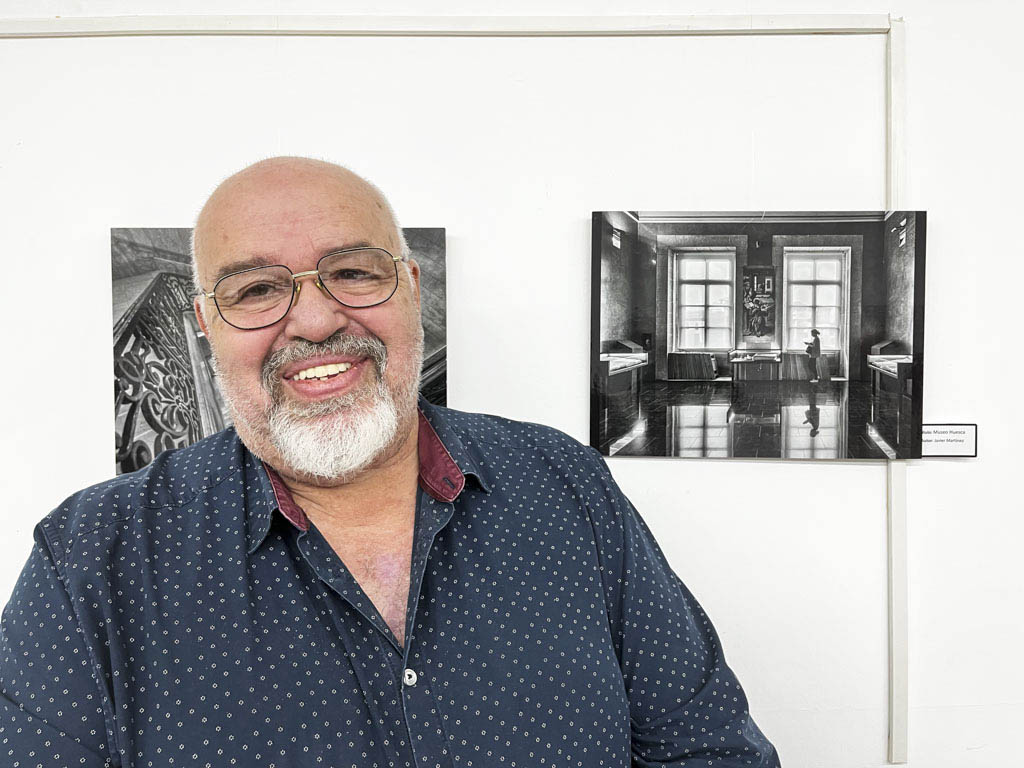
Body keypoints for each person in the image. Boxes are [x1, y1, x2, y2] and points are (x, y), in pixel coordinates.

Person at [0, 157, 779, 767]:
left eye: (352, 272)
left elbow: (707, 749)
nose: (313, 317)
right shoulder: (89, 561)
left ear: (407, 287)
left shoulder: (566, 485)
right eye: (257, 289)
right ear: (205, 324)